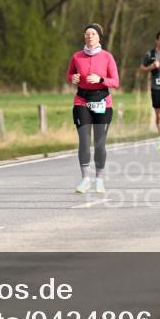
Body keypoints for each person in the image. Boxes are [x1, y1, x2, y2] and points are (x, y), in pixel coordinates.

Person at [67, 23, 120, 194]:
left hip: (103, 102)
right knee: (83, 141)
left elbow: (116, 82)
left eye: (93, 34)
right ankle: (85, 179)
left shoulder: (107, 57)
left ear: (99, 38)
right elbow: (70, 74)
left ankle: (99, 180)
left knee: (99, 143)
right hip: (81, 101)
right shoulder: (76, 57)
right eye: (87, 34)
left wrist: (100, 79)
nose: (89, 37)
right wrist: (73, 78)